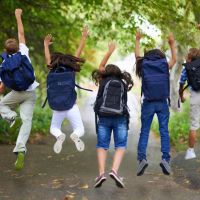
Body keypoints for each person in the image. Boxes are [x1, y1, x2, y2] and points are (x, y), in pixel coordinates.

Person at [0, 9, 39, 170]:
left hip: (16, 93)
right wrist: (18, 16)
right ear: (17, 47)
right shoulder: (24, 52)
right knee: (27, 121)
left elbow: (2, 87)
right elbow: (21, 34)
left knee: (2, 104)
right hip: (30, 92)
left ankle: (11, 117)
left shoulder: (4, 64)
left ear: (6, 50)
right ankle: (21, 148)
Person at [92, 42, 133, 188]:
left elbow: (101, 66)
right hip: (120, 117)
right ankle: (114, 171)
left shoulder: (103, 80)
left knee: (102, 145)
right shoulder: (122, 82)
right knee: (120, 145)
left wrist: (110, 51)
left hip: (103, 116)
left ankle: (101, 173)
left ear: (105, 73)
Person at [135, 31, 176, 176]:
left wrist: (137, 40)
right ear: (160, 56)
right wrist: (171, 43)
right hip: (162, 102)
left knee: (144, 131)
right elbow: (174, 60)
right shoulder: (164, 64)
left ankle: (142, 159)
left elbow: (137, 56)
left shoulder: (143, 64)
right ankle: (165, 159)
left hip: (148, 103)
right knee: (164, 131)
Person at [43, 26, 89, 154]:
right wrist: (84, 37)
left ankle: (59, 135)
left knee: (54, 127)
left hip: (57, 107)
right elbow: (78, 53)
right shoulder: (70, 70)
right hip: (71, 106)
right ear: (69, 61)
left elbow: (47, 59)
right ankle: (75, 135)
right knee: (80, 129)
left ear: (53, 62)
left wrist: (46, 45)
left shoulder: (52, 70)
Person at [179, 47, 200, 160]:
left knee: (194, 125)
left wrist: (181, 97)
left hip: (195, 96)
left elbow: (181, 83)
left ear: (189, 58)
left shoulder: (187, 68)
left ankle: (190, 151)